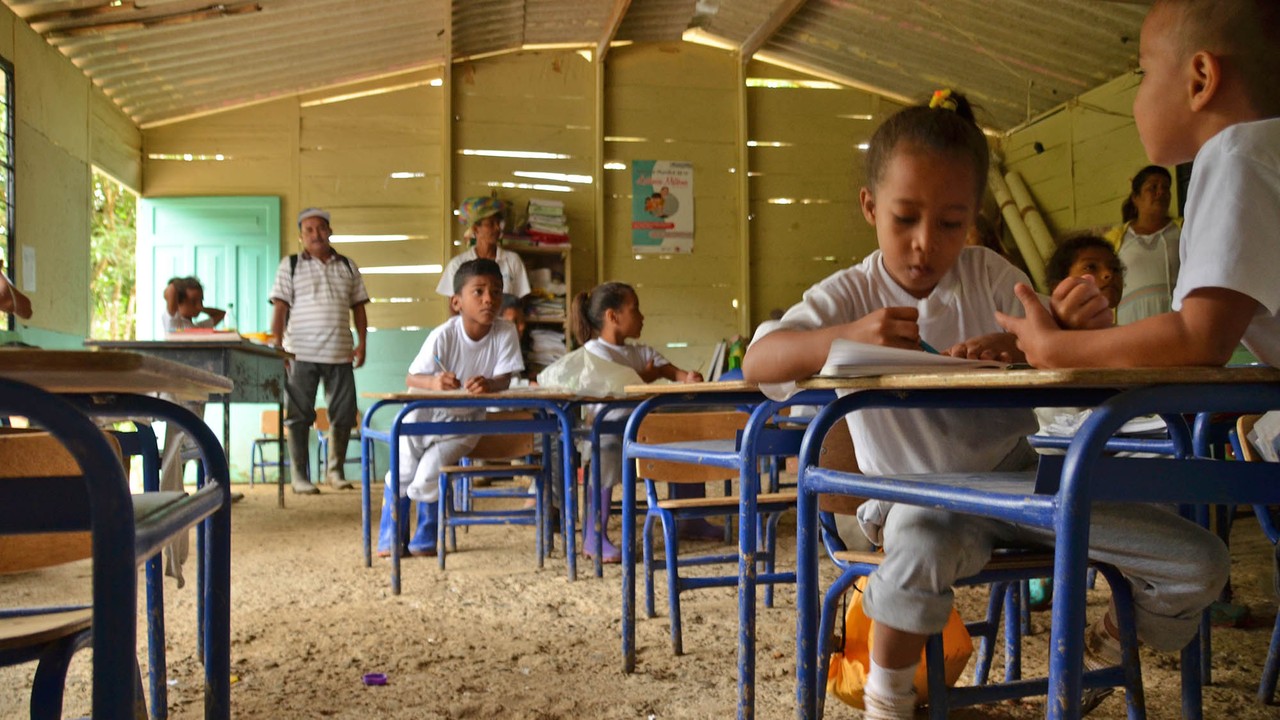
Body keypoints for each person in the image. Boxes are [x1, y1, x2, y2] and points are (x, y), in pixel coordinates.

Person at [743, 89, 1229, 719]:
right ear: (870, 207)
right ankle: (887, 703)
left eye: (949, 223)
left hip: (1022, 486)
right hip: (917, 499)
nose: (924, 243)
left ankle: (1099, 653)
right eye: (905, 218)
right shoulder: (851, 291)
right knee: (918, 550)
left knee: (1198, 560)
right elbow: (760, 362)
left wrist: (1041, 335)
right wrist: (843, 337)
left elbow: (1054, 339)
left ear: (971, 216)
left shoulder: (989, 273)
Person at [376, 258, 523, 557]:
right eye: (478, 292)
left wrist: (491, 385)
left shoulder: (505, 332)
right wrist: (434, 383)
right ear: (457, 302)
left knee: (430, 472)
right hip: (423, 417)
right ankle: (390, 537)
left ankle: (425, 537)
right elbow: (411, 377)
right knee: (403, 470)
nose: (489, 299)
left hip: (465, 424)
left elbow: (506, 379)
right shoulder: (444, 335)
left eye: (496, 291)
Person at [571, 282, 707, 563]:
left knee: (683, 439)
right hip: (607, 432)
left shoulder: (640, 353)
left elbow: (673, 372)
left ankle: (691, 518)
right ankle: (594, 536)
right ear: (613, 316)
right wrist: (645, 377)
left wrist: (687, 378)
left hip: (643, 430)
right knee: (605, 451)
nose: (642, 316)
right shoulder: (594, 352)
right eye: (635, 309)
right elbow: (619, 382)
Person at [269, 208, 369, 494]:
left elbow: (359, 308)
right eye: (309, 230)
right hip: (300, 352)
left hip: (340, 352)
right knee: (298, 415)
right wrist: (277, 346)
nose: (316, 234)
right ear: (301, 235)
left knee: (344, 414)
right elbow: (280, 308)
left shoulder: (348, 266)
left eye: (321, 228)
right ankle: (300, 476)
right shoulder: (290, 265)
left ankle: (334, 472)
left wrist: (362, 343)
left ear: (330, 231)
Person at [159, 276, 226, 586]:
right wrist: (179, 288)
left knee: (191, 444)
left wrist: (199, 305)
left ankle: (187, 486)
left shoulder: (196, 325)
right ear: (179, 301)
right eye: (192, 301)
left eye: (201, 301)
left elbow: (219, 316)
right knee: (175, 454)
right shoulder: (172, 319)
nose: (198, 307)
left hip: (193, 391)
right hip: (177, 392)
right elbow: (170, 292)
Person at [1104, 165, 1181, 325]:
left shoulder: (1186, 230)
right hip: (1129, 327)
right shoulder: (1114, 239)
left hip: (1177, 325)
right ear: (1135, 197)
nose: (1161, 192)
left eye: (1166, 187)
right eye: (1152, 187)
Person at [436, 197, 531, 305]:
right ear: (476, 229)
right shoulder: (457, 264)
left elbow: (520, 302)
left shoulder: (512, 260)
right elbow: (454, 308)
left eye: (498, 223)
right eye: (491, 224)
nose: (497, 228)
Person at [1045, 235, 1125, 312]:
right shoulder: (1046, 325)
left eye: (1115, 269)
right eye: (1090, 267)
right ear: (1058, 286)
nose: (1108, 273)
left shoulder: (1121, 325)